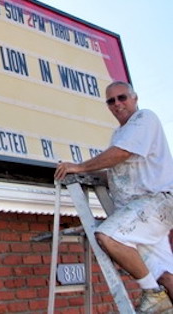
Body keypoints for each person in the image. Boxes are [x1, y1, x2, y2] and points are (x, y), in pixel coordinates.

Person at [55, 81, 173, 313]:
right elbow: (119, 174)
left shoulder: (143, 119)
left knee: (108, 236)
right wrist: (88, 173)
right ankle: (158, 289)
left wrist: (80, 167)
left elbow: (122, 153)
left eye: (122, 98)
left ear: (135, 98)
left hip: (155, 204)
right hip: (141, 213)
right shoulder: (121, 133)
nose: (117, 104)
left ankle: (152, 294)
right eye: (111, 100)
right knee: (165, 276)